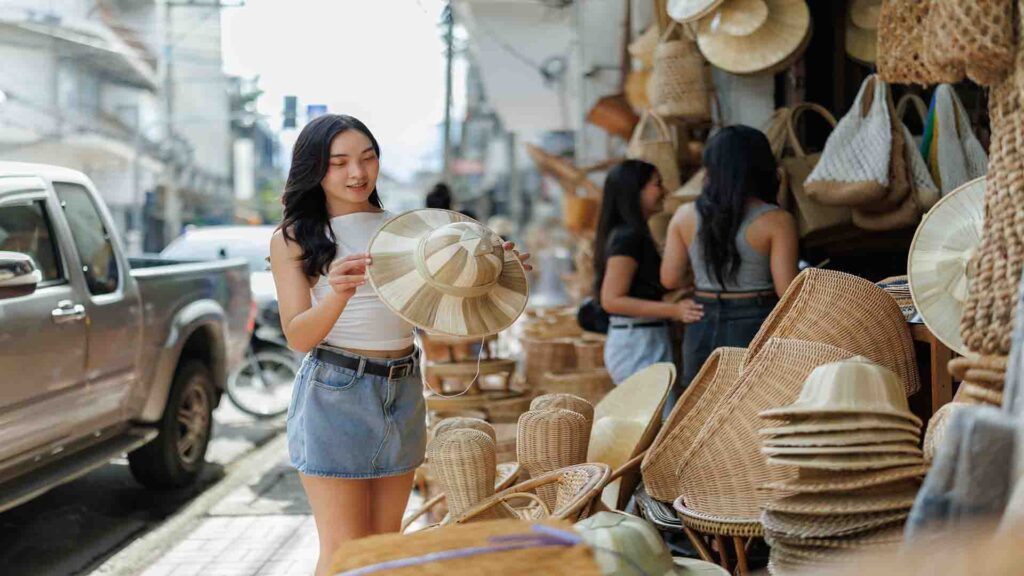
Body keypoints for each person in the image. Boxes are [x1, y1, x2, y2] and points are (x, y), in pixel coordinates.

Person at [269, 114, 531, 576]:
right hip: (335, 392)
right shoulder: (294, 238)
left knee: (387, 547)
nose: (357, 173)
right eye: (340, 162)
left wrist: (490, 275)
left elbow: (445, 319)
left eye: (367, 158)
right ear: (316, 169)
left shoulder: (409, 232)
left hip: (403, 388)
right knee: (344, 552)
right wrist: (337, 294)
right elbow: (299, 335)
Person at [661, 125, 799, 410]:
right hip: (755, 322)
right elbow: (787, 290)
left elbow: (670, 278)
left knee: (698, 412)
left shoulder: (685, 215)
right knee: (747, 411)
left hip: (701, 320)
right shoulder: (776, 220)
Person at [594, 160, 704, 415]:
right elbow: (612, 300)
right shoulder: (628, 237)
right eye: (657, 184)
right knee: (654, 423)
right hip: (637, 342)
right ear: (636, 191)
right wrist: (674, 311)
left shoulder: (635, 234)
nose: (664, 190)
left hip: (643, 337)